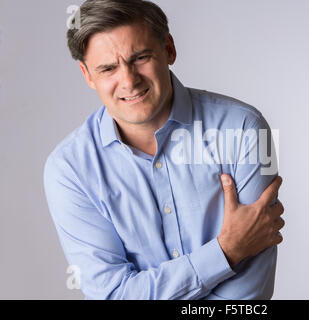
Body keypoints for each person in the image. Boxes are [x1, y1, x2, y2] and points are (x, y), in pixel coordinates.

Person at [44, 0, 285, 300]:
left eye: (140, 57)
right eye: (108, 68)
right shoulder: (69, 169)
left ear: (169, 49)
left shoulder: (243, 129)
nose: (129, 81)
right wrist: (226, 252)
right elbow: (113, 295)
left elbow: (248, 297)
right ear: (87, 75)